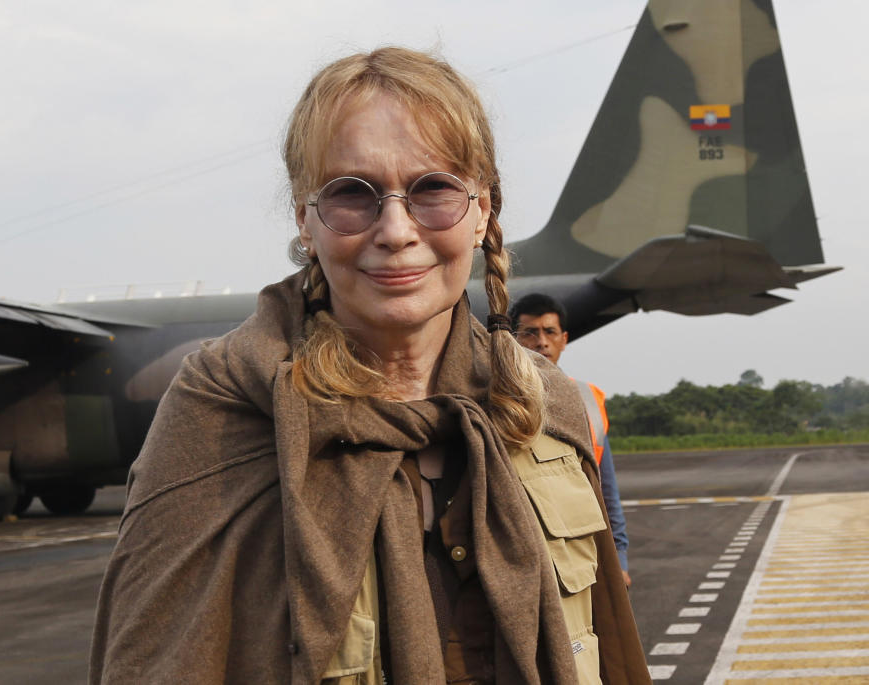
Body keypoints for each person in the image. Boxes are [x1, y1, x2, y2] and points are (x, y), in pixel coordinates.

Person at [90, 47, 648, 684]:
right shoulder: (223, 413)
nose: (395, 229)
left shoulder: (543, 403)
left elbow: (610, 644)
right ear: (306, 220)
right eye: (351, 196)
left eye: (432, 189)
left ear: (483, 210)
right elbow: (149, 659)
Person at [509, 293, 632, 588]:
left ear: (564, 339)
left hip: (582, 550)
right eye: (530, 333)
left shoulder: (587, 399)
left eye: (549, 332)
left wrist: (620, 559)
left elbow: (607, 490)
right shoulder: (497, 399)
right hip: (522, 553)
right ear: (511, 339)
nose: (541, 342)